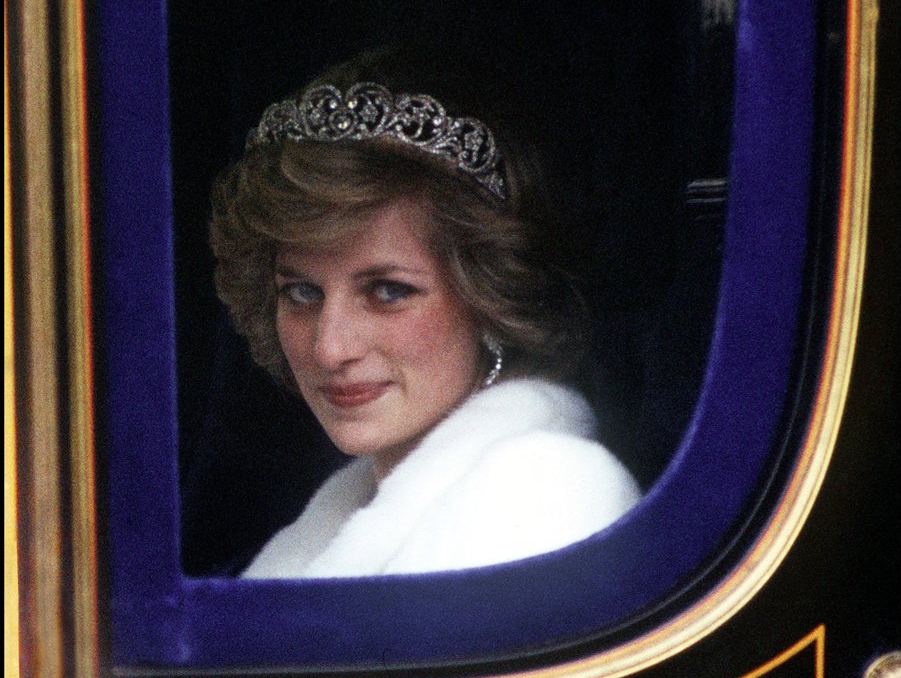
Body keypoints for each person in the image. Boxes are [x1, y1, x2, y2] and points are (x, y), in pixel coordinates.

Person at [209, 49, 640, 578]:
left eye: (388, 292)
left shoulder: (547, 498)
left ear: (490, 300)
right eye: (302, 293)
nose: (329, 347)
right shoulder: (326, 527)